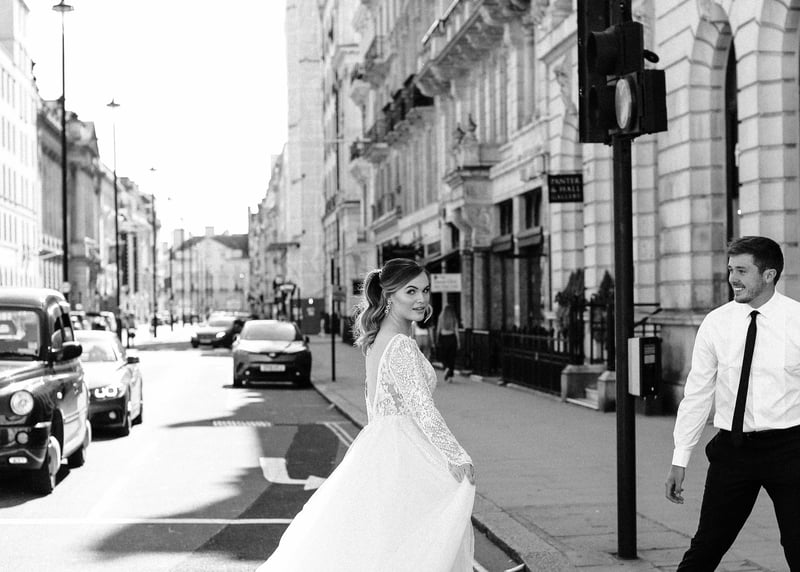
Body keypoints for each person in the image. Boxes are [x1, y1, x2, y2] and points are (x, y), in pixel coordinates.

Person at [258, 258, 476, 571]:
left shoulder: (377, 342)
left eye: (425, 290)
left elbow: (377, 406)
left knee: (386, 544)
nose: (421, 299)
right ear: (389, 296)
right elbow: (423, 409)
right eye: (411, 291)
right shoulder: (400, 345)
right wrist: (456, 455)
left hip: (381, 448)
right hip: (403, 452)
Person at [665, 236, 800, 570]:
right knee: (706, 547)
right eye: (730, 270)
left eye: (741, 270)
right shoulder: (717, 323)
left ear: (769, 275)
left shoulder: (797, 320)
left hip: (790, 449)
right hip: (733, 450)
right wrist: (680, 458)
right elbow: (697, 393)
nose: (732, 279)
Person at [436, 305, 460, 382]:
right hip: (452, 338)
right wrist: (458, 342)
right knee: (451, 358)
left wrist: (437, 339)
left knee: (444, 356)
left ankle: (446, 367)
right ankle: (450, 377)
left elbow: (438, 330)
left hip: (443, 338)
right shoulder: (454, 318)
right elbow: (456, 331)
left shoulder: (441, 317)